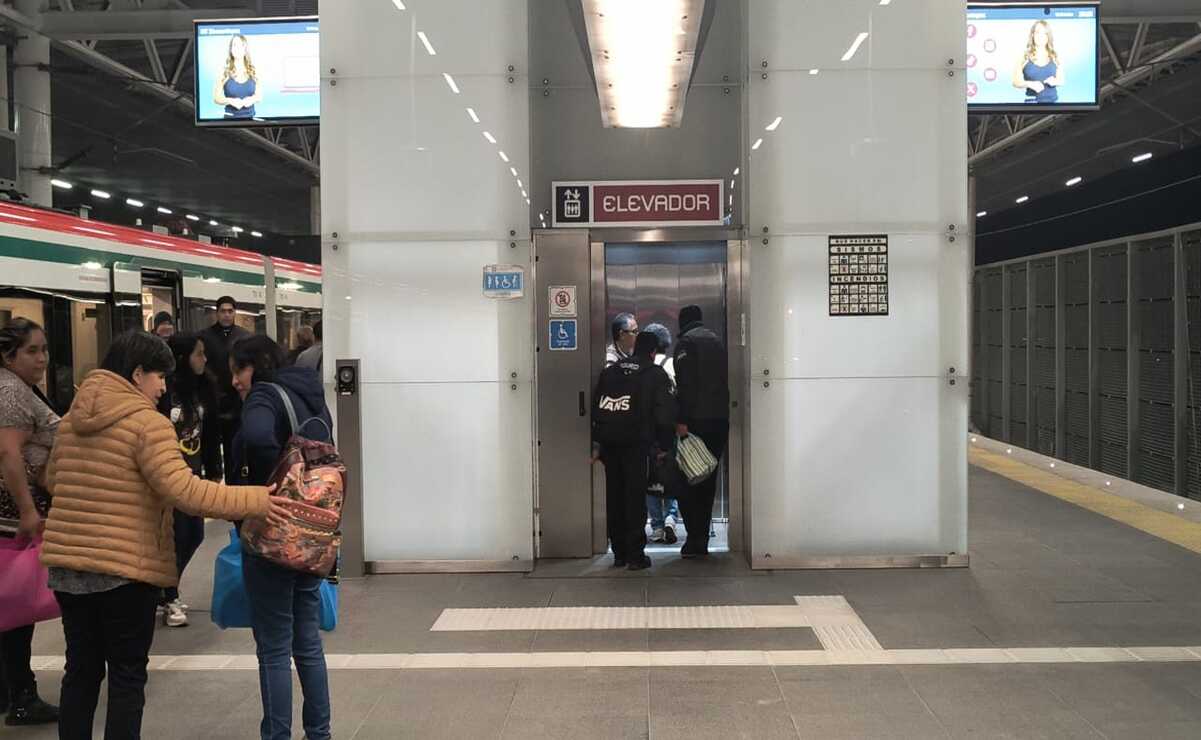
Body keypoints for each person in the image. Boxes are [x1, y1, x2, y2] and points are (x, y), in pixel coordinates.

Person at [41, 330, 286, 740]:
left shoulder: (70, 422)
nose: (163, 388)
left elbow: (53, 479)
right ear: (138, 374)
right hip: (124, 570)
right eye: (159, 377)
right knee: (126, 676)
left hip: (69, 571)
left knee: (80, 673)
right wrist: (256, 499)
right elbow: (185, 491)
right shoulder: (146, 425)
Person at [229, 335, 333, 740]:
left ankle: (277, 736)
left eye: (238, 371)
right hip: (311, 531)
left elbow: (256, 439)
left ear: (254, 365)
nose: (236, 381)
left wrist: (273, 486)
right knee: (306, 639)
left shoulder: (263, 397)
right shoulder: (309, 394)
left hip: (273, 531)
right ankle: (319, 733)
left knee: (273, 646)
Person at [0, 318, 59, 726]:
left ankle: (11, 691)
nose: (42, 358)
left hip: (13, 512)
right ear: (9, 356)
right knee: (15, 605)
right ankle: (21, 694)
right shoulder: (10, 391)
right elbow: (9, 454)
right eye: (32, 351)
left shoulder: (16, 386)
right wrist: (27, 511)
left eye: (43, 349)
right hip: (11, 515)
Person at [591, 332, 675, 571]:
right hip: (637, 445)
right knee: (634, 498)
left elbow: (597, 408)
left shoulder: (611, 372)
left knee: (615, 496)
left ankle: (618, 553)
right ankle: (635, 556)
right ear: (653, 352)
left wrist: (597, 444)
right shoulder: (654, 374)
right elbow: (664, 414)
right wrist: (664, 446)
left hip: (609, 443)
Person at [156, 334, 223, 628]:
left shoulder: (203, 387)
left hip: (193, 472)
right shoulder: (164, 391)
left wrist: (214, 468)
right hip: (168, 476)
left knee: (194, 534)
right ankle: (168, 594)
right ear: (183, 357)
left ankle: (165, 589)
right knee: (176, 535)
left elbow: (210, 432)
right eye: (199, 354)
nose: (204, 359)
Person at [673, 305, 730, 558]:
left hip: (696, 421)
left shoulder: (687, 343)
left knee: (687, 479)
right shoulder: (717, 341)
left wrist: (681, 420)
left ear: (682, 322)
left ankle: (693, 539)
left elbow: (686, 386)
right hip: (719, 420)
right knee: (707, 478)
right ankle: (702, 541)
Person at [200, 296, 251, 482]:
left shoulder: (244, 337)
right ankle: (213, 480)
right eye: (223, 311)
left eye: (230, 311)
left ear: (235, 312)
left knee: (233, 449)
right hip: (212, 401)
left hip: (236, 402)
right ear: (217, 313)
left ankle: (234, 482)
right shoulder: (204, 337)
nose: (227, 315)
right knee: (211, 447)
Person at [642, 323, 680, 546]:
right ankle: (671, 518)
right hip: (671, 429)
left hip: (649, 431)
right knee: (671, 474)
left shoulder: (645, 367)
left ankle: (656, 527)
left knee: (652, 478)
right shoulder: (673, 364)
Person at [1012, 20, 1062, 104]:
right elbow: (1015, 82)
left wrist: (1055, 81)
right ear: (1032, 35)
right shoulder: (1024, 56)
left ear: (1048, 36)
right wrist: (1029, 84)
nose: (1040, 36)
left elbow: (1061, 80)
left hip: (1053, 106)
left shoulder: (1055, 55)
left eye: (1044, 33)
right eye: (1037, 32)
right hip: (1031, 106)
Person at [213, 34, 261, 119]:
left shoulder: (254, 71)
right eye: (234, 45)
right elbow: (216, 98)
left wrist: (251, 100)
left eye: (240, 45)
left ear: (245, 49)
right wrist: (230, 101)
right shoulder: (224, 72)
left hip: (251, 121)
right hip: (230, 122)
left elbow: (259, 96)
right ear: (231, 49)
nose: (237, 48)